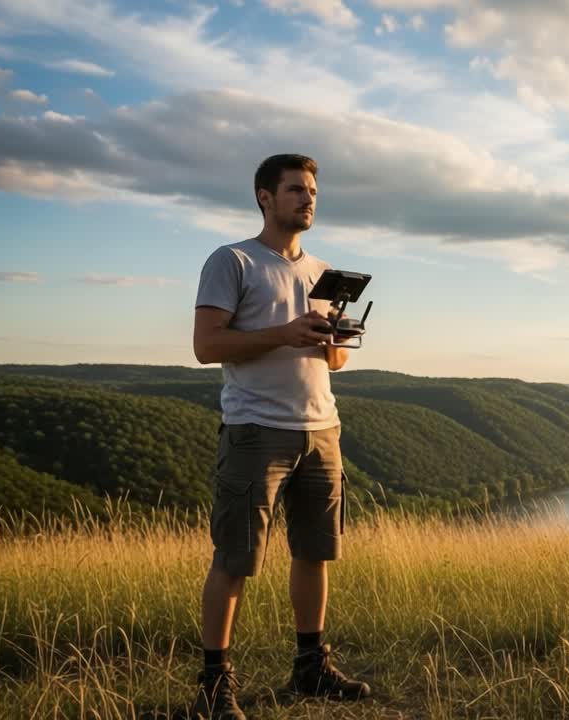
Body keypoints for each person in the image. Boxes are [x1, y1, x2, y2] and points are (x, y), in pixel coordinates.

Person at [190, 153, 370, 719]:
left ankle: (310, 666)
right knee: (237, 558)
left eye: (312, 190)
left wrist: (334, 336)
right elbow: (207, 347)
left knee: (315, 553)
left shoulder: (321, 270)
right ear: (265, 197)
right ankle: (214, 686)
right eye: (296, 189)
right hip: (255, 429)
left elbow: (333, 360)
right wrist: (286, 332)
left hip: (321, 426)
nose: (308, 198)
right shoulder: (233, 261)